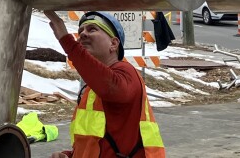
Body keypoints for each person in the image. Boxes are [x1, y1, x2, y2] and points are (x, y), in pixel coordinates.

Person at [43, 10, 165, 158]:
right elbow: (94, 142)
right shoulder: (91, 89)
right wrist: (70, 155)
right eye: (80, 30)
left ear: (113, 44)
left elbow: (110, 87)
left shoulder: (126, 73)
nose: (82, 34)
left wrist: (66, 39)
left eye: (92, 29)